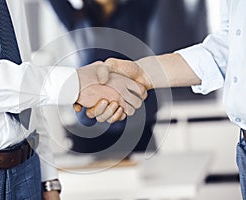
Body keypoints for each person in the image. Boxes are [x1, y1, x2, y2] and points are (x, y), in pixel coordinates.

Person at [0, 1, 145, 199]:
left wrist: (48, 178)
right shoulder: (79, 16)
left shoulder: (133, 12)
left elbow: (21, 65)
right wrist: (73, 85)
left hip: (29, 170)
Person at [85, 0, 246, 198]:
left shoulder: (135, 10)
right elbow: (229, 50)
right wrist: (143, 73)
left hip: (139, 115)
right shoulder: (81, 14)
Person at [48, 0, 158, 154]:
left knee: (144, 175)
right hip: (90, 122)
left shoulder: (136, 11)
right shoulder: (76, 18)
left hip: (137, 119)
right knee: (93, 177)